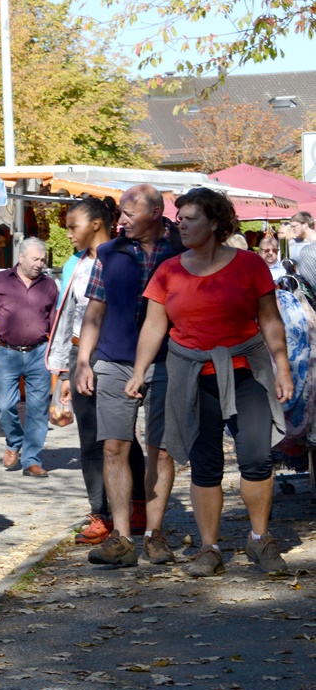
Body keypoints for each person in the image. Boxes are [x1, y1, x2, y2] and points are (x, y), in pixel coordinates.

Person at [125, 188, 293, 577]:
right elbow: (154, 325)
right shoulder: (168, 271)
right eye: (179, 217)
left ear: (215, 222)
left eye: (190, 217)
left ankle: (260, 539)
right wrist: (139, 371)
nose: (180, 223)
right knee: (205, 464)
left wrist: (281, 366)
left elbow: (269, 319)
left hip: (245, 370)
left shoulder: (249, 265)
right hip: (191, 374)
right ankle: (209, 548)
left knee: (256, 456)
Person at [74, 184, 185, 568]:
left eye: (128, 214)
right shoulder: (110, 252)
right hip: (114, 359)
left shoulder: (182, 250)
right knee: (113, 446)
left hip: (170, 360)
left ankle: (154, 535)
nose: (119, 220)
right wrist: (84, 360)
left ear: (155, 214)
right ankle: (121, 537)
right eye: (119, 212)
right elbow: (95, 309)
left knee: (162, 448)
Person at [47, 200, 147, 545]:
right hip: (82, 352)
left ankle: (136, 506)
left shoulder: (125, 256)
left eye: (74, 226)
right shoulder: (74, 264)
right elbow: (66, 318)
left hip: (119, 353)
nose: (69, 233)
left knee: (121, 436)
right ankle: (100, 513)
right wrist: (64, 372)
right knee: (90, 437)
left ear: (96, 224)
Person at [0, 237, 58, 478]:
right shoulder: (0, 281)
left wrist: (58, 358)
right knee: (3, 405)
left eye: (42, 260)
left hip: (39, 352)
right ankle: (14, 440)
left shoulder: (49, 285)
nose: (40, 264)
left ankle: (31, 459)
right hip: (7, 353)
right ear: (20, 257)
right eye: (35, 259)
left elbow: (54, 323)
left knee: (38, 409)